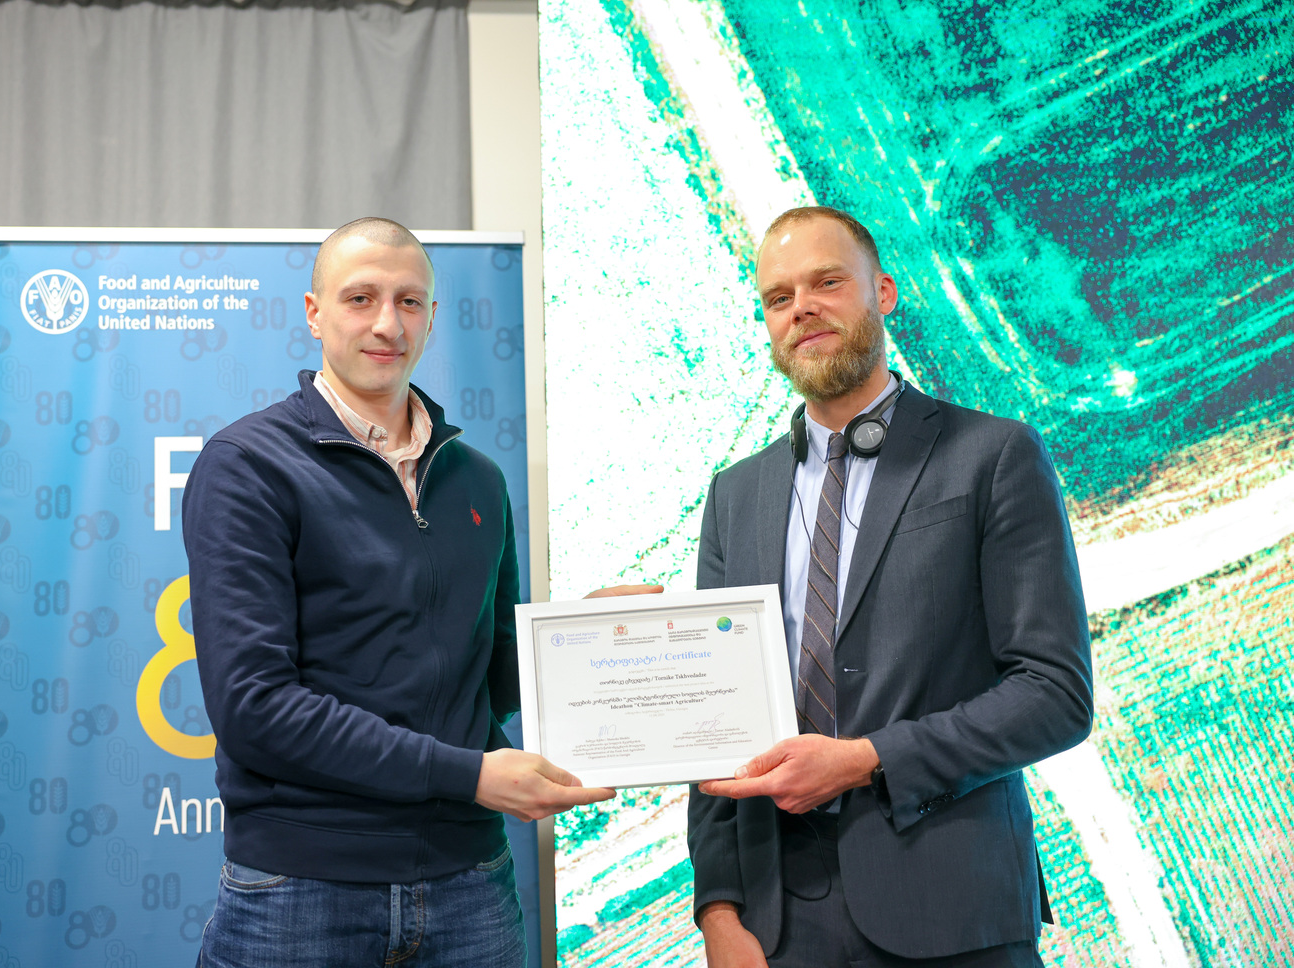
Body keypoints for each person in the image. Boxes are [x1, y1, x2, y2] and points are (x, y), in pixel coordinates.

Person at [184, 217, 652, 968]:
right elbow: (254, 708)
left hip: (469, 882)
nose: (386, 323)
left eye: (408, 302)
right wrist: (471, 775)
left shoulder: (477, 479)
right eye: (360, 298)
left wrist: (587, 640)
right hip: (302, 889)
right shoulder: (249, 465)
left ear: (432, 317)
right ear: (314, 314)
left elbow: (490, 674)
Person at [687, 207, 1094, 968]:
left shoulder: (993, 454)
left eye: (827, 283)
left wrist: (865, 758)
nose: (802, 308)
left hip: (955, 911)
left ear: (883, 292)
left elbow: (1054, 695)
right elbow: (715, 720)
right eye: (779, 297)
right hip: (779, 928)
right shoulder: (734, 496)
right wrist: (717, 910)